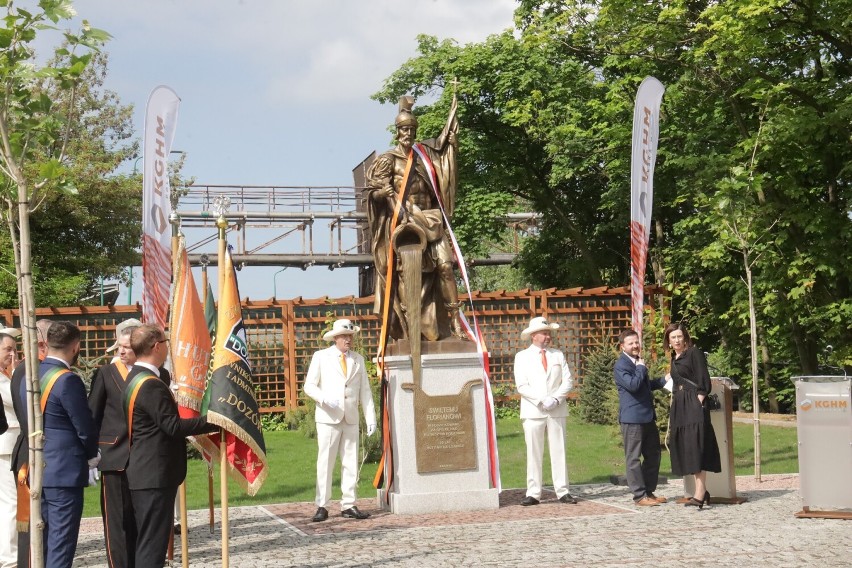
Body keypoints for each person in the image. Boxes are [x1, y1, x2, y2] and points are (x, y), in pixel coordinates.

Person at [364, 94, 463, 341]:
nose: (408, 133)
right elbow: (373, 192)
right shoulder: (388, 160)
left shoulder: (424, 158)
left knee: (446, 267)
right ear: (397, 132)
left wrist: (452, 144)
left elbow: (444, 166)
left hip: (431, 220)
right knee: (408, 277)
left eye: (411, 129)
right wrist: (381, 193)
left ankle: (456, 322)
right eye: (404, 129)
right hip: (404, 223)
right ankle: (410, 327)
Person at [123, 324, 211, 568]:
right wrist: (214, 421)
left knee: (149, 543)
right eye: (165, 342)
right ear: (156, 346)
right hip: (153, 475)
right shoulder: (149, 383)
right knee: (153, 546)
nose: (167, 347)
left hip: (146, 472)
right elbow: (172, 426)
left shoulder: (135, 376)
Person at [39, 321, 99, 568]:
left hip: (37, 467)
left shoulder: (30, 375)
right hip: (64, 471)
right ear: (75, 347)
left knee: (41, 542)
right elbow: (84, 427)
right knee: (61, 544)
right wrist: (91, 455)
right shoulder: (67, 380)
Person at [303, 319, 377, 522]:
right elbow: (309, 386)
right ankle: (322, 505)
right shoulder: (321, 357)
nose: (349, 340)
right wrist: (324, 398)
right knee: (325, 462)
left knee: (350, 462)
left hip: (351, 417)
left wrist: (371, 418)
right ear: (335, 338)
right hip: (328, 418)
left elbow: (366, 392)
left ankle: (349, 504)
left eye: (350, 336)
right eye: (345, 336)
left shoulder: (358, 359)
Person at [87, 318, 143, 568]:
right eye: (119, 346)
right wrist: (92, 453)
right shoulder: (106, 373)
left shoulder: (156, 374)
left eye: (127, 347)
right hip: (113, 456)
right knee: (117, 522)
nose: (121, 351)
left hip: (144, 458)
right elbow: (93, 414)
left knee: (141, 520)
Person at [514, 316, 577, 506]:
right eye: (545, 333)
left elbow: (568, 381)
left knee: (559, 450)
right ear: (534, 336)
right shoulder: (522, 357)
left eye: (549, 333)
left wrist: (556, 399)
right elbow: (522, 386)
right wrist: (542, 400)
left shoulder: (557, 355)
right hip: (533, 410)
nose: (548, 336)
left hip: (557, 409)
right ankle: (533, 493)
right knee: (534, 452)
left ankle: (563, 491)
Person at [665, 323, 721, 509]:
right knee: (687, 446)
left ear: (685, 337)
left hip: (693, 403)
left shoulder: (694, 353)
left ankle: (700, 492)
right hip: (680, 405)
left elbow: (704, 380)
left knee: (697, 445)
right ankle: (701, 490)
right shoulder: (675, 358)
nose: (677, 340)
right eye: (673, 337)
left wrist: (698, 401)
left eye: (679, 336)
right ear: (669, 341)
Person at [10, 318, 52, 566]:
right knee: (34, 523)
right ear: (43, 342)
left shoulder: (24, 369)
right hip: (34, 452)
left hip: (30, 448)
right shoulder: (33, 371)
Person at [613, 329, 668, 507]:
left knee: (653, 455)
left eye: (636, 342)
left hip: (647, 417)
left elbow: (645, 386)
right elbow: (634, 385)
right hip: (632, 419)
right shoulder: (621, 365)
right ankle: (639, 496)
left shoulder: (637, 363)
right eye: (631, 343)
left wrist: (664, 380)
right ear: (622, 346)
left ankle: (649, 492)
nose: (636, 345)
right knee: (634, 458)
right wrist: (641, 368)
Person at [0, 330, 17, 568]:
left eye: (15, 349)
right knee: (11, 503)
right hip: (6, 445)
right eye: (8, 349)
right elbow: (17, 399)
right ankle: (10, 558)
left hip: (11, 445)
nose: (13, 354)